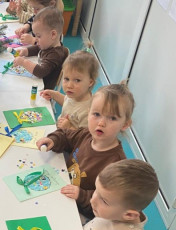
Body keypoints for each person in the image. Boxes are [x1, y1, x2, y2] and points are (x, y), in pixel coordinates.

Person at [36, 82, 135, 219]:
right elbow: (65, 135)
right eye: (97, 114)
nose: (101, 123)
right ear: (88, 113)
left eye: (112, 118)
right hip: (62, 189)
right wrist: (53, 140)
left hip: (81, 213)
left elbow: (107, 203)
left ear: (125, 124)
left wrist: (81, 195)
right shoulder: (86, 134)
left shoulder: (116, 165)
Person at [41, 48, 99, 129]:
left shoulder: (87, 111)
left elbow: (83, 135)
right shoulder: (75, 94)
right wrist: (54, 94)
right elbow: (67, 102)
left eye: (77, 80)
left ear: (90, 82)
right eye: (66, 79)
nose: (69, 85)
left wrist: (69, 127)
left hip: (68, 136)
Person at [13, 7, 68, 90]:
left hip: (42, 91)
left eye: (38, 36)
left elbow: (41, 72)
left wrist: (23, 62)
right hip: (37, 83)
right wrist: (25, 51)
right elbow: (39, 48)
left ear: (53, 34)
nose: (36, 39)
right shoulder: (49, 45)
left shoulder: (56, 54)